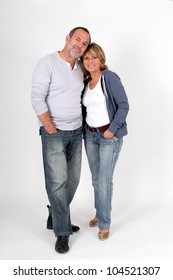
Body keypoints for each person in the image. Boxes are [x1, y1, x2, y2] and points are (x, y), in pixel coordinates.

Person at [31, 27, 91, 253]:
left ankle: (54, 215)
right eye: (77, 39)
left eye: (84, 44)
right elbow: (37, 98)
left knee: (72, 180)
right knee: (57, 183)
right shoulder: (47, 63)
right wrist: (50, 128)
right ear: (67, 39)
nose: (80, 45)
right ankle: (62, 232)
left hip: (76, 132)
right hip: (54, 133)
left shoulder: (79, 69)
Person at [81, 42, 129, 241]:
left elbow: (124, 105)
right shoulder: (85, 82)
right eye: (86, 58)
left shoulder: (109, 78)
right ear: (83, 62)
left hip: (109, 137)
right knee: (95, 179)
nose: (90, 61)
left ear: (101, 59)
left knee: (104, 180)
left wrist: (112, 130)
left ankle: (105, 223)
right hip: (90, 136)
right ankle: (99, 213)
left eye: (94, 57)